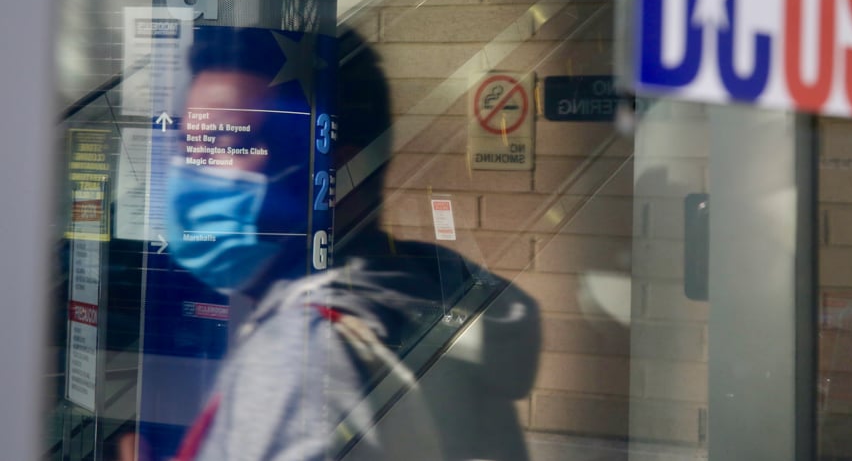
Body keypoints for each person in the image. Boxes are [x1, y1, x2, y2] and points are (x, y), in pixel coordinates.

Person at [122, 26, 540, 461]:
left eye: (222, 143)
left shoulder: (301, 355)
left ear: (336, 172)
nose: (189, 172)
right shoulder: (426, 297)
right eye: (188, 145)